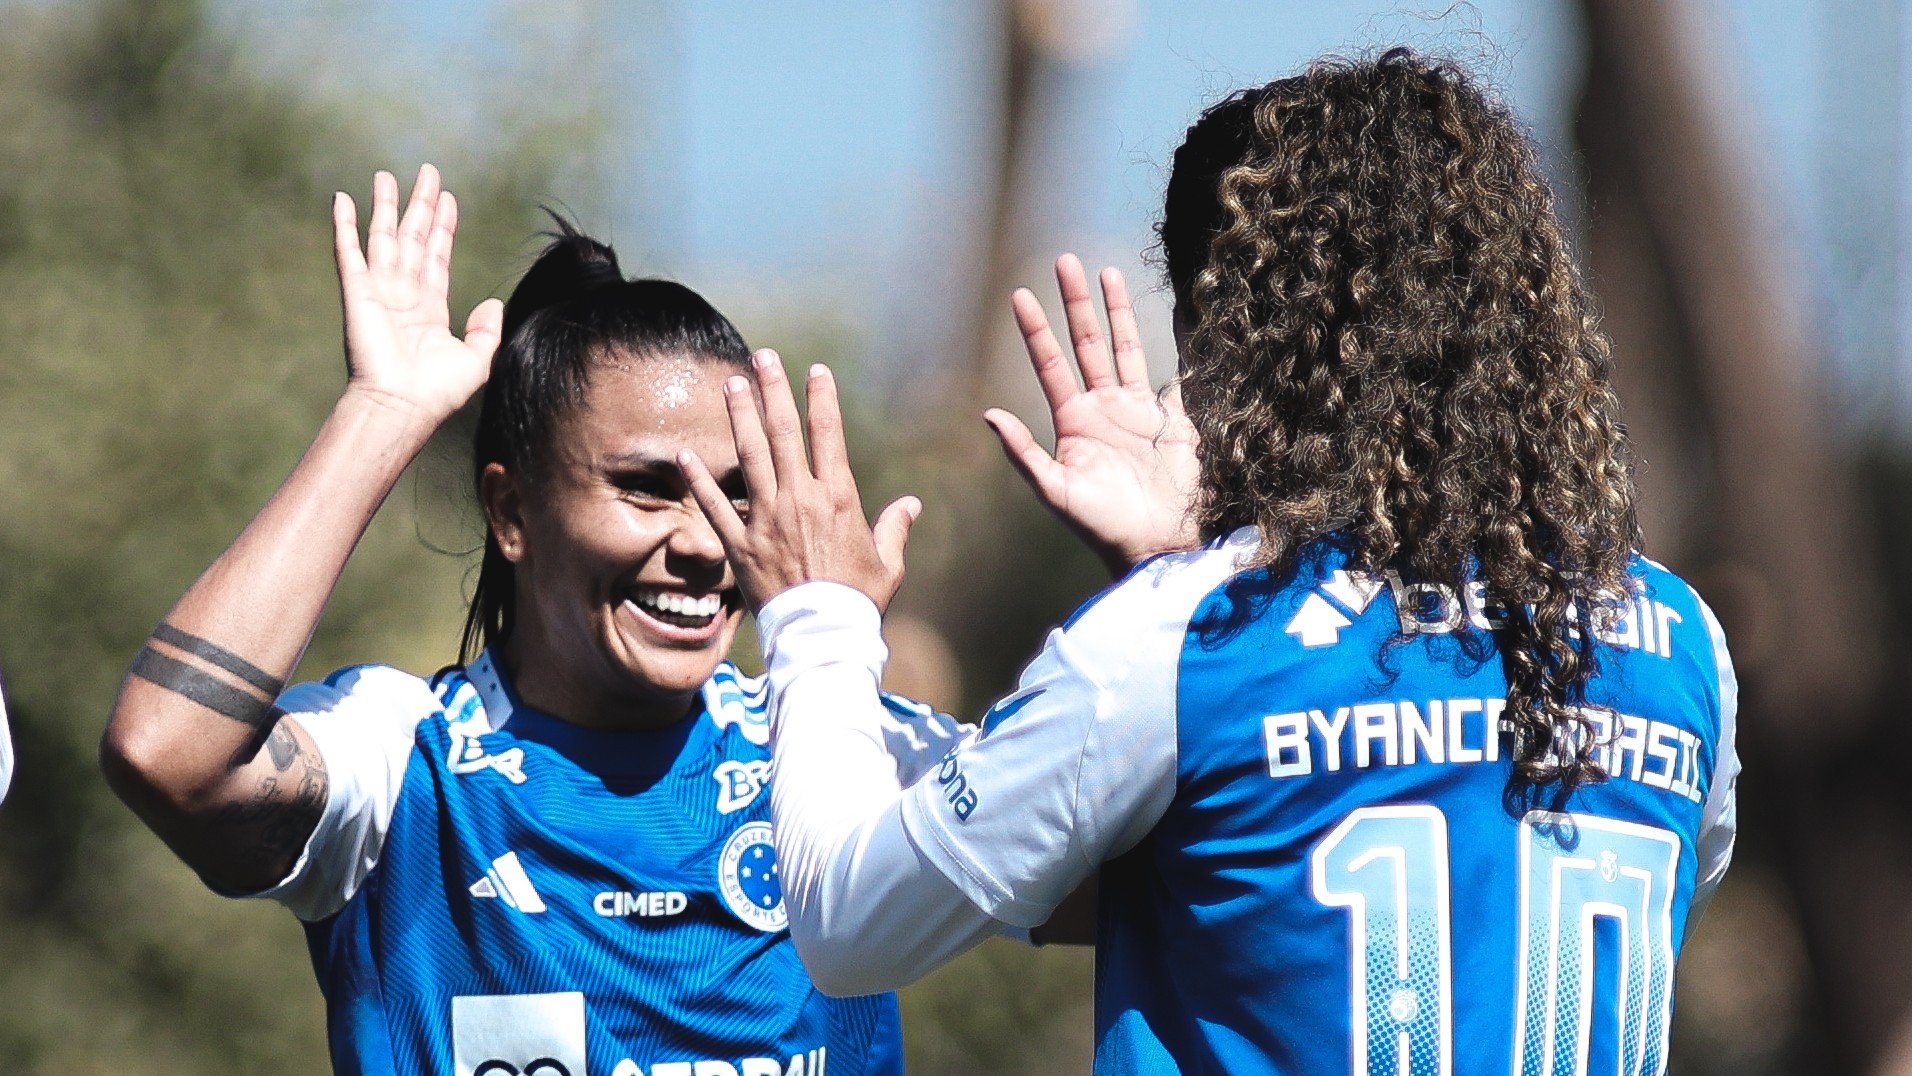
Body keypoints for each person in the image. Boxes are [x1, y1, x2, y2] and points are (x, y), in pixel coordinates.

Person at [681, 48, 1740, 1075]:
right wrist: (1172, 573)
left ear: (1239, 340)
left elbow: (850, 924)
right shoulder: (1684, 641)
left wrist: (818, 615)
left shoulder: (1183, 644)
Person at [100, 165, 958, 1075]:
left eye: (735, 496)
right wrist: (382, 412)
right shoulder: (403, 769)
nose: (707, 545)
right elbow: (167, 752)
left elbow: (1115, 883)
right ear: (510, 515)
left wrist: (1134, 570)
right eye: (647, 488)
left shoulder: (846, 760)